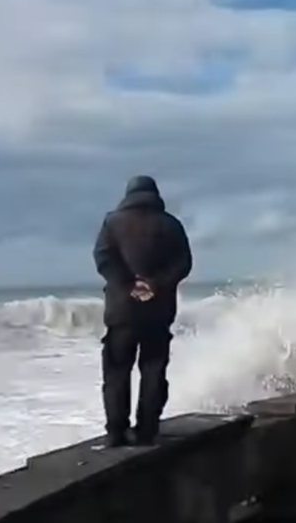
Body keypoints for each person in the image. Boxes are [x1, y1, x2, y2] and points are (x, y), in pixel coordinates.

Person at [93, 175, 193, 447]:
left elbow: (103, 258)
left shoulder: (112, 222)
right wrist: (156, 285)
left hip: (122, 311)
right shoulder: (171, 224)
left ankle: (116, 433)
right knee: (153, 369)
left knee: (116, 371)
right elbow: (184, 263)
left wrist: (128, 285)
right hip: (158, 311)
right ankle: (147, 431)